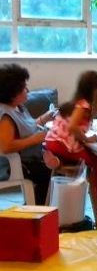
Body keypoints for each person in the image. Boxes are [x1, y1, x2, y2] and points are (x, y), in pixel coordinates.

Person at [44, 71, 97, 203]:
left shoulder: (74, 104)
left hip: (52, 142)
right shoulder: (83, 106)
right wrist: (86, 139)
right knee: (96, 159)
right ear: (95, 91)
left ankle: (59, 160)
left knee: (83, 153)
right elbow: (72, 126)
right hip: (64, 144)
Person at [0, 64, 56, 205]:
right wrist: (34, 139)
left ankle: (41, 206)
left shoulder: (18, 107)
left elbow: (26, 127)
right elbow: (6, 146)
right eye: (24, 88)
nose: (28, 90)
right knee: (54, 171)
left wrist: (44, 118)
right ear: (13, 92)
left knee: (58, 160)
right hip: (19, 164)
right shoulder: (5, 115)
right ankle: (38, 209)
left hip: (33, 156)